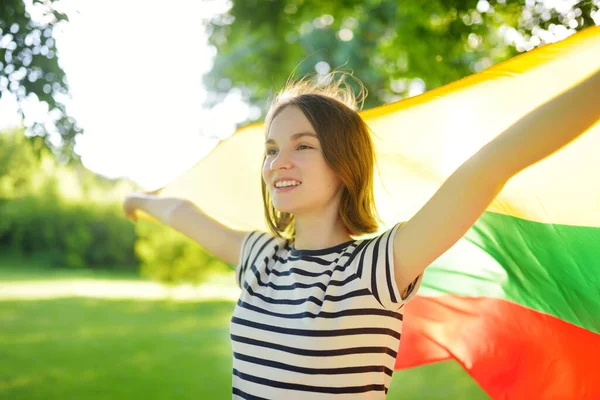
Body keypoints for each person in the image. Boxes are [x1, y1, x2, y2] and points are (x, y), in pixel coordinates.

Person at [123, 69, 600, 399]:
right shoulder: (262, 259)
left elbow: (488, 168)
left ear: (343, 165)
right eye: (271, 149)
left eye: (302, 145)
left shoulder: (375, 269)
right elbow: (185, 212)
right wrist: (141, 202)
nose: (278, 162)